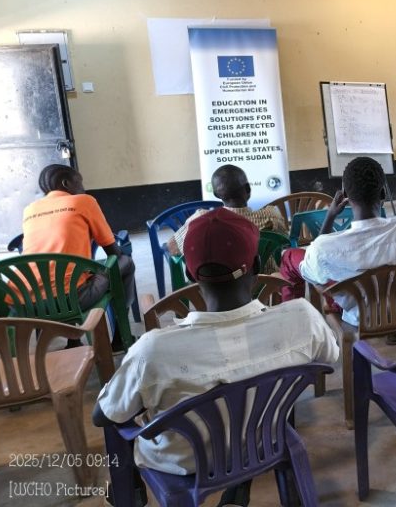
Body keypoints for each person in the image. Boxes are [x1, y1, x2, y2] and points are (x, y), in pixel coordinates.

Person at [93, 208, 339, 506]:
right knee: (246, 401)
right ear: (256, 265)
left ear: (189, 274)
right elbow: (330, 357)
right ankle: (239, 486)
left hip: (185, 462)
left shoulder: (153, 351)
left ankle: (129, 495)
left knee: (122, 421)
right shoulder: (303, 318)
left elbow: (103, 415)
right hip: (264, 440)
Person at [279, 157, 396, 328]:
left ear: (345, 195)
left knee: (290, 258)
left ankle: (293, 327)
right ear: (383, 193)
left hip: (360, 319)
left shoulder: (324, 249)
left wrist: (330, 216)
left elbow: (312, 275)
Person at [22, 164, 136, 346]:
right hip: (73, 299)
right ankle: (121, 338)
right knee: (125, 263)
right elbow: (113, 253)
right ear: (66, 183)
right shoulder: (84, 201)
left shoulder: (30, 209)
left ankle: (74, 342)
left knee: (66, 275)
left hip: (28, 302)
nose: (83, 188)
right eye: (80, 182)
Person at [169, 164, 287, 257]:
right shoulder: (271, 216)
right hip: (266, 279)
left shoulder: (200, 219)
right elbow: (284, 242)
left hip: (219, 280)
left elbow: (173, 248)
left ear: (216, 195)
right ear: (247, 188)